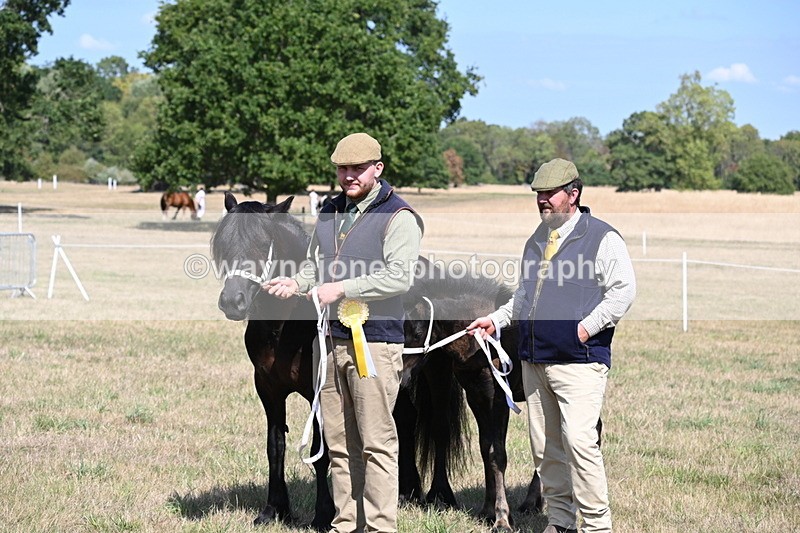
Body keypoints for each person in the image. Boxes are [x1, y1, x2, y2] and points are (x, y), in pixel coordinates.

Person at [265, 132, 423, 533]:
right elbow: (314, 265)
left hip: (376, 344)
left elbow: (399, 277)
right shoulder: (331, 210)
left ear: (378, 169)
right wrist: (295, 284)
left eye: (357, 168)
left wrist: (342, 290)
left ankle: (380, 527)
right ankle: (345, 523)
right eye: (342, 168)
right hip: (329, 342)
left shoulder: (399, 216)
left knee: (375, 443)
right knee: (337, 442)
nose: (348, 176)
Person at [468, 158, 636, 533]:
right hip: (533, 360)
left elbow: (623, 291)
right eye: (538, 194)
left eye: (550, 194)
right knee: (545, 451)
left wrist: (584, 329)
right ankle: (560, 522)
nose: (542, 200)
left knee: (580, 444)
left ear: (573, 194)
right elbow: (524, 296)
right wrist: (495, 320)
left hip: (578, 360)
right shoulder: (535, 241)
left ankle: (596, 526)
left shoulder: (601, 237)